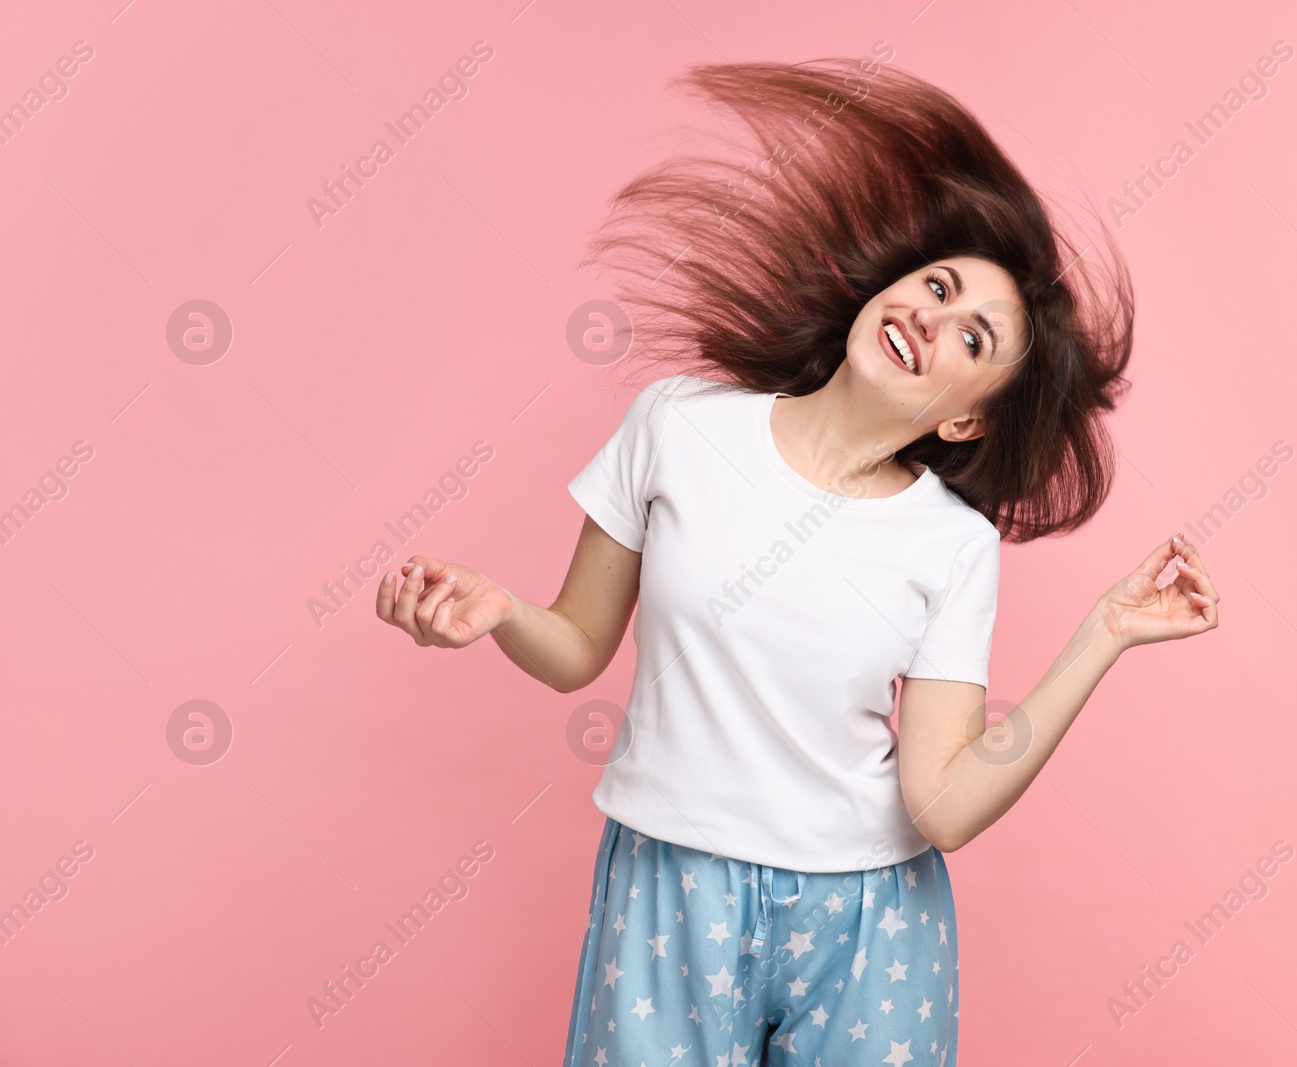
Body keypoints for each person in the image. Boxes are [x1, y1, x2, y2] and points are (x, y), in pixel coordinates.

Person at [375, 55, 1220, 1067]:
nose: (930, 315)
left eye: (972, 335)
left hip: (870, 923)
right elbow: (575, 647)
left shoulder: (947, 543)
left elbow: (944, 803)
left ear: (963, 415)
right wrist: (498, 609)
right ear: (887, 284)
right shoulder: (678, 426)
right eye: (935, 285)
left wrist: (1103, 635)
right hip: (667, 889)